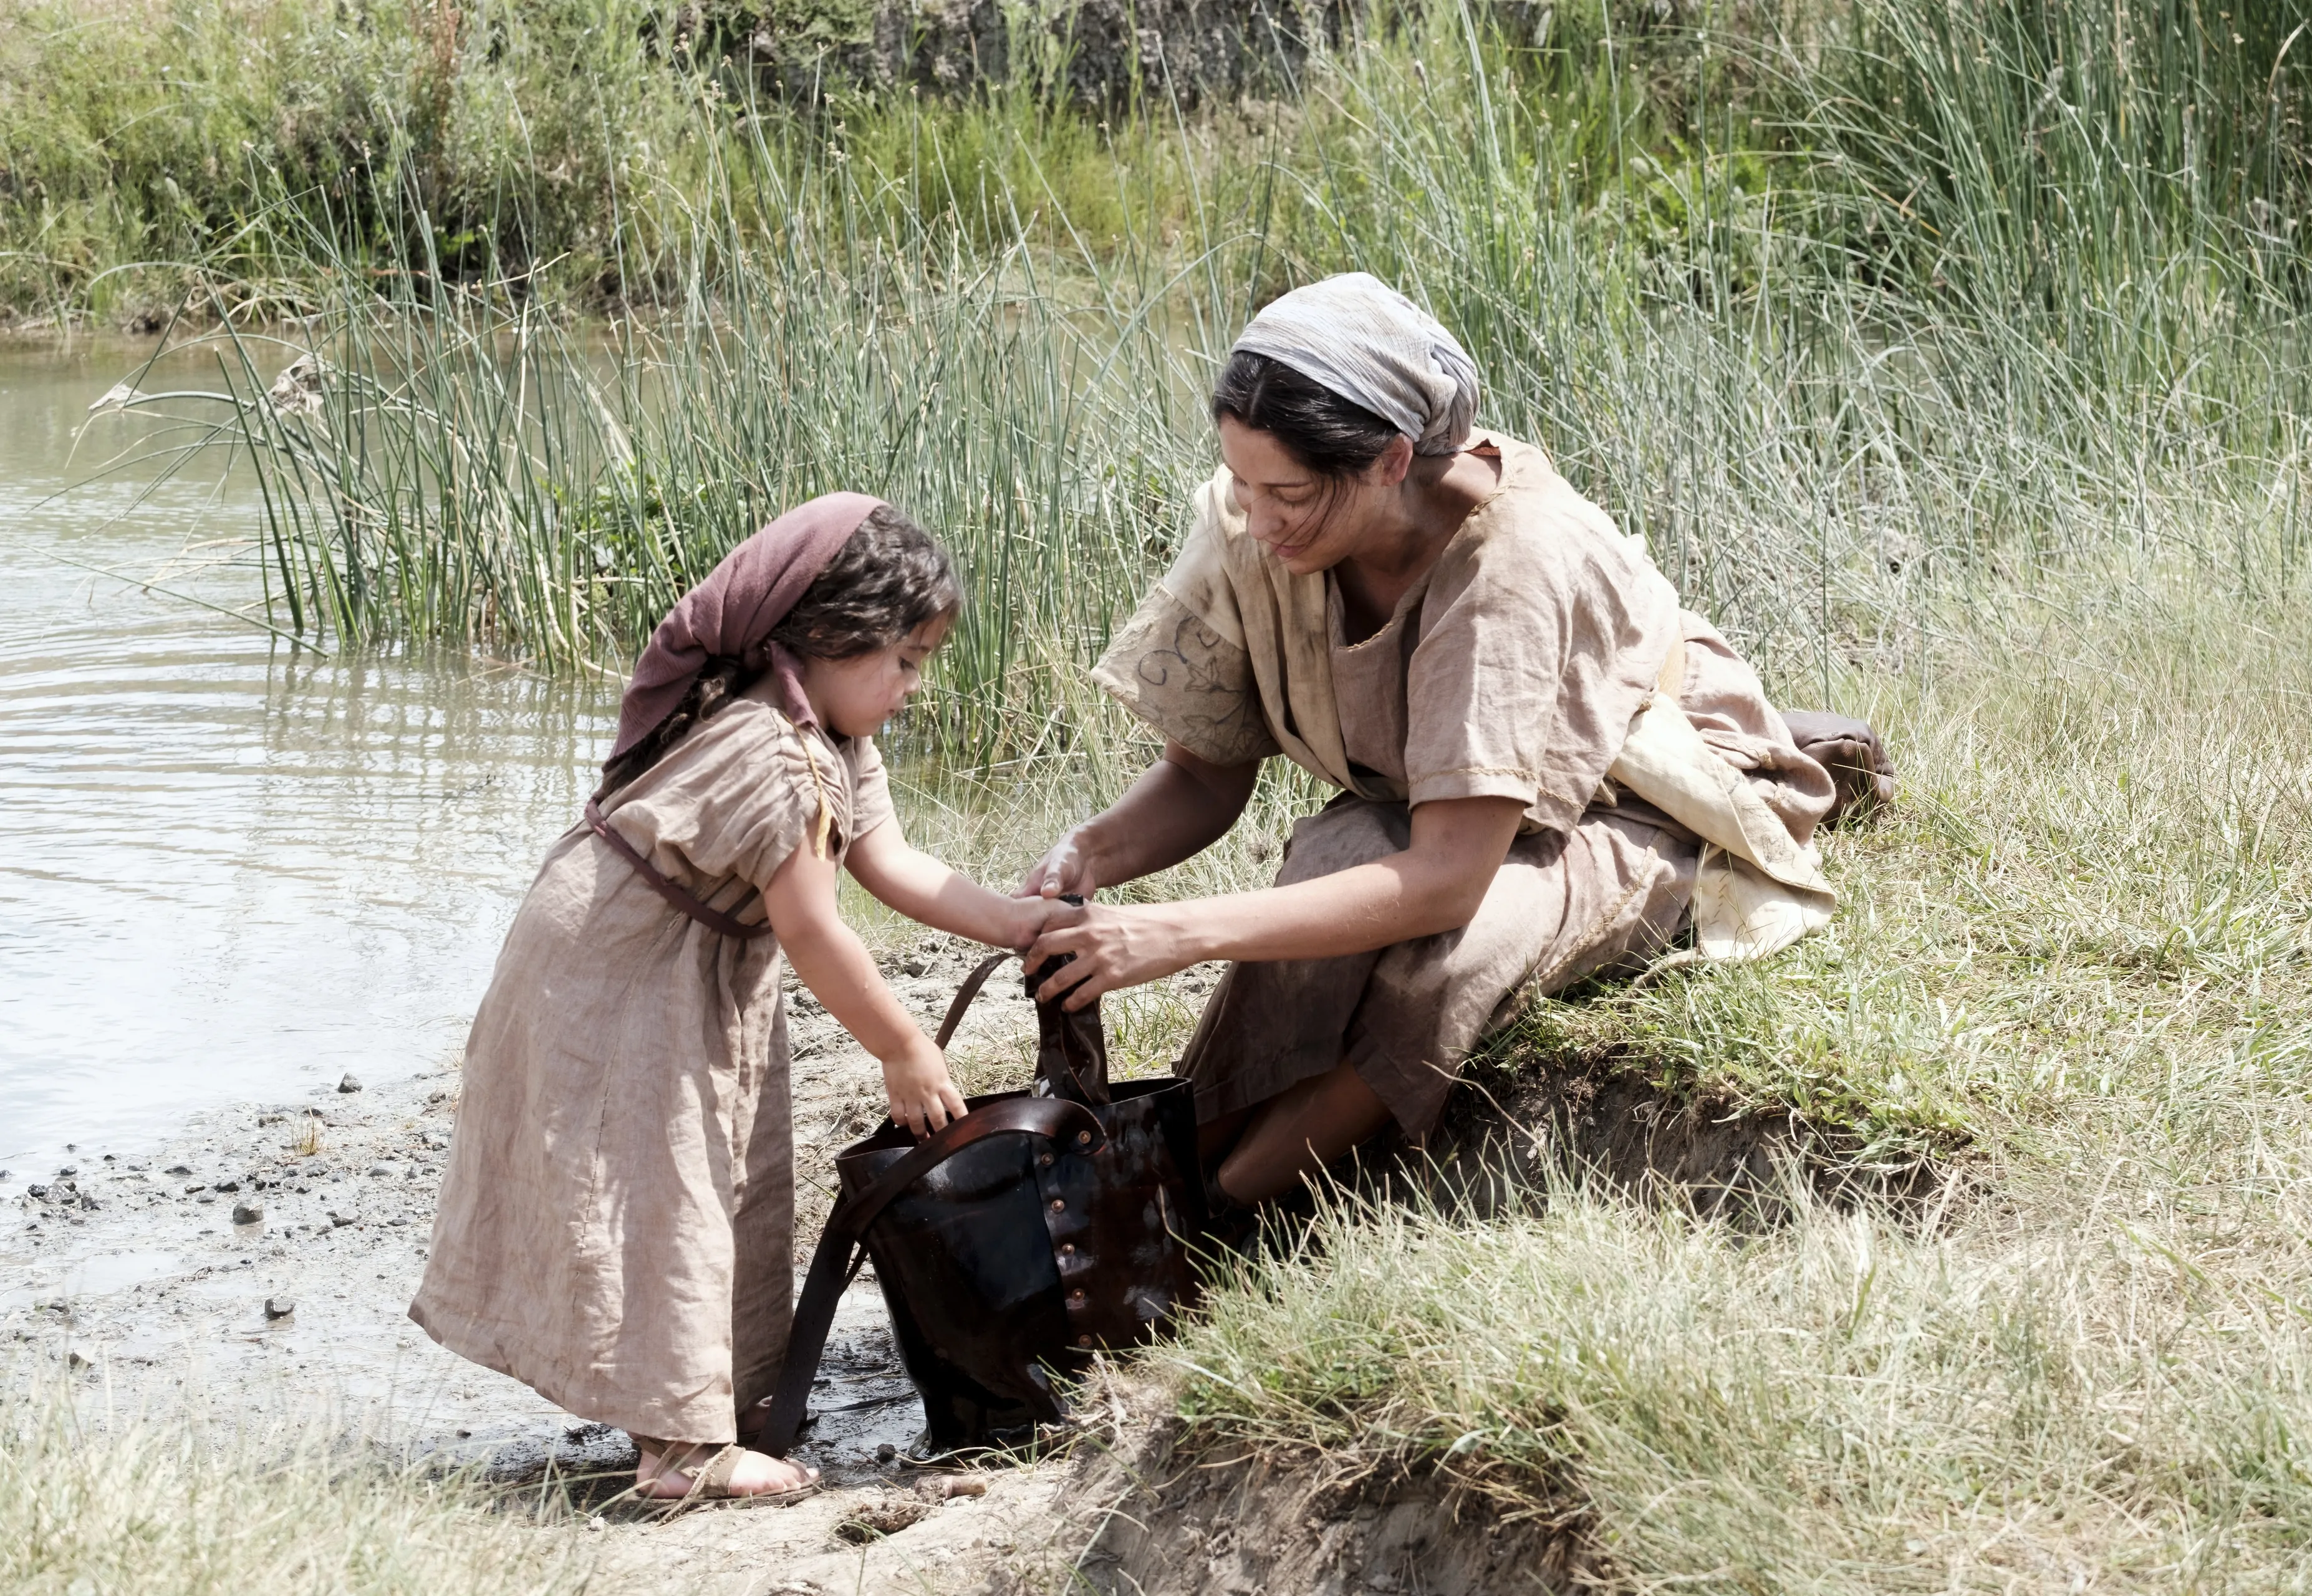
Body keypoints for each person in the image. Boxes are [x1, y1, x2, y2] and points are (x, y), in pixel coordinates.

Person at [1019, 274, 1842, 1216]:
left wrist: (1169, 934)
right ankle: (1142, 1181)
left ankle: (1213, 1218)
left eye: (1286, 494)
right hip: (1427, 803)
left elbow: (1451, 876)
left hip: (1633, 795)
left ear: (1390, 459)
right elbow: (1204, 779)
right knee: (1329, 865)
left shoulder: (1510, 559)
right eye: (1240, 483)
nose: (1257, 519)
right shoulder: (1257, 516)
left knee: (1450, 959)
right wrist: (1092, 854)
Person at [410, 495, 1052, 1502]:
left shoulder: (826, 728)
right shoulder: (780, 753)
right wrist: (901, 1044)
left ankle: (700, 1406)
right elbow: (812, 927)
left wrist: (1018, 923)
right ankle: (680, 1453)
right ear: (831, 639)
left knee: (719, 1166)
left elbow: (889, 861)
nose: (915, 687)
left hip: (675, 951)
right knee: (667, 1180)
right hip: (616, 960)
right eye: (906, 661)